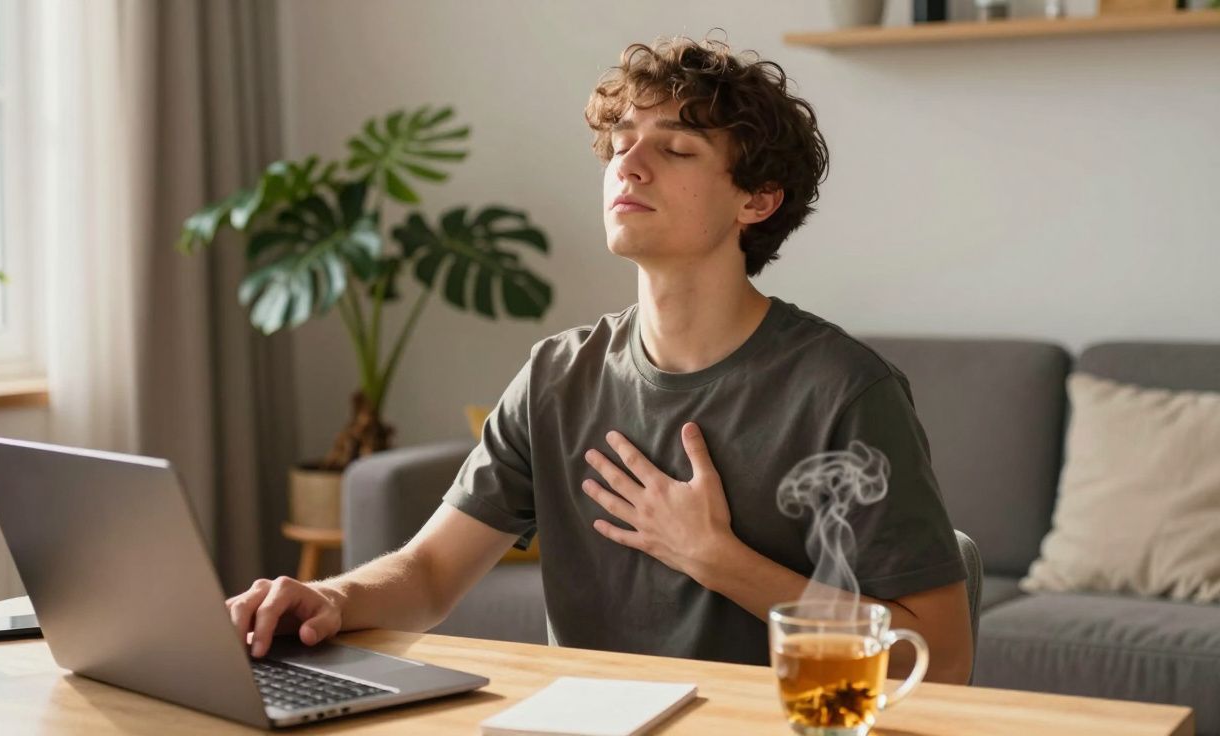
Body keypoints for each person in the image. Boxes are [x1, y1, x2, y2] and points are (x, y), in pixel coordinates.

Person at [227, 34, 973, 684]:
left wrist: (715, 558)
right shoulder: (556, 376)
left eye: (675, 149)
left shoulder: (843, 389)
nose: (629, 165)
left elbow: (940, 660)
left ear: (757, 201)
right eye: (619, 144)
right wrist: (329, 599)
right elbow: (428, 575)